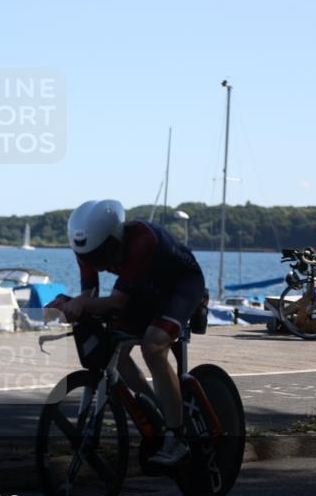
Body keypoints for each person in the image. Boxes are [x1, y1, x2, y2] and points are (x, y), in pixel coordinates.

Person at [47, 200, 206, 466]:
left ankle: (177, 437)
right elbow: (90, 296)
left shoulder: (141, 241)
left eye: (100, 256)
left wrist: (81, 303)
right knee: (115, 352)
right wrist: (67, 303)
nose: (94, 263)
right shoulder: (87, 246)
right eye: (88, 258)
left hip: (181, 285)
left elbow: (117, 302)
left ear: (115, 238)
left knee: (153, 346)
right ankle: (158, 409)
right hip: (144, 287)